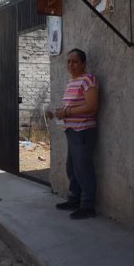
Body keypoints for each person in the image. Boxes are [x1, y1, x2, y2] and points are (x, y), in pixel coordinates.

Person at [45, 48, 99, 220]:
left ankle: (88, 205)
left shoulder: (88, 80)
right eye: (68, 61)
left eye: (75, 61)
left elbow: (91, 107)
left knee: (83, 168)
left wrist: (66, 113)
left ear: (83, 63)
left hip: (83, 131)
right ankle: (74, 199)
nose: (71, 65)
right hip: (71, 131)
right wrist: (57, 113)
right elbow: (73, 108)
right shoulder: (71, 82)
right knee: (72, 168)